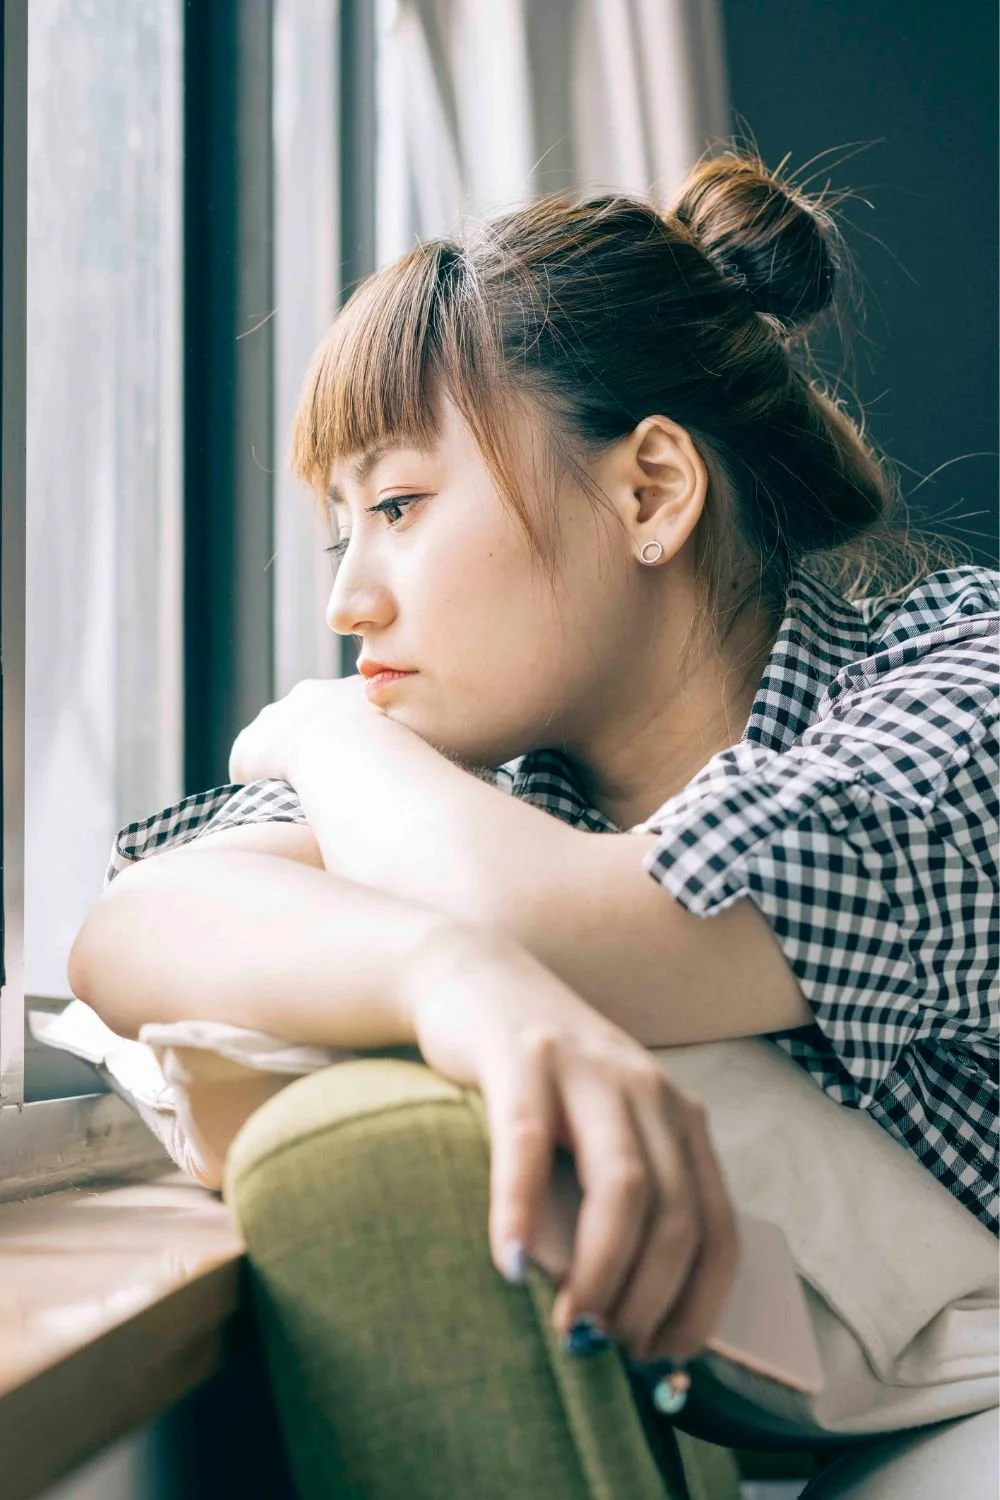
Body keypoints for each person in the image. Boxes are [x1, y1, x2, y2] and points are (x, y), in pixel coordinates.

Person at [68, 146, 998, 1420]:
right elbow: (135, 927)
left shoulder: (961, 691)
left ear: (649, 490)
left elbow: (573, 915)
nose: (348, 598)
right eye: (341, 529)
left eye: (398, 505)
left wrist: (323, 731)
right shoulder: (483, 787)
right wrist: (456, 982)